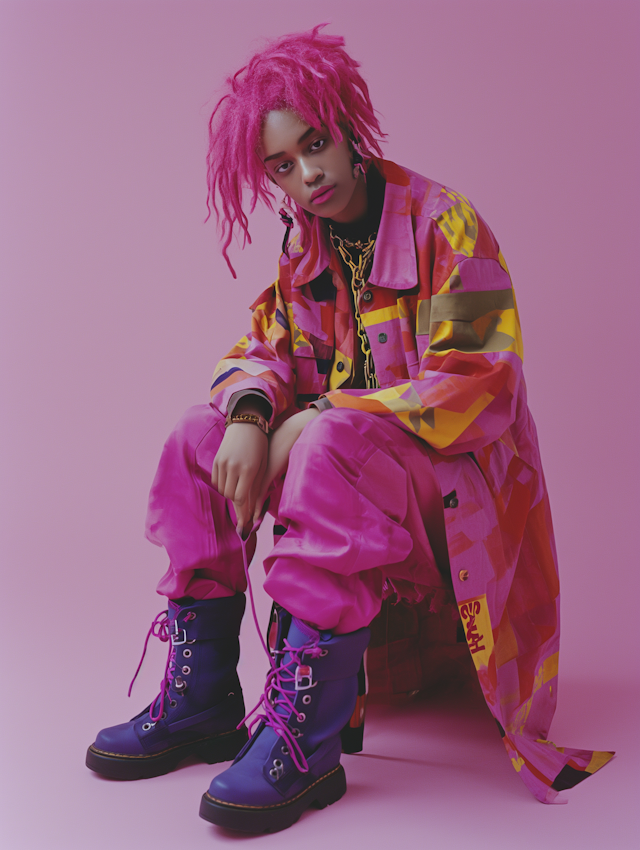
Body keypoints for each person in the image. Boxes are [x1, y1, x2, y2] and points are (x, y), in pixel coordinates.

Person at [86, 25, 612, 833]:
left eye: (316, 144)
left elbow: (484, 385)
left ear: (345, 125)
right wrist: (254, 415)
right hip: (344, 480)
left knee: (328, 443)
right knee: (199, 436)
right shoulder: (308, 242)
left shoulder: (447, 224)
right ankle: (202, 702)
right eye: (281, 166)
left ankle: (308, 744)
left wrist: (321, 416)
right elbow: (265, 346)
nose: (308, 175)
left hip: (452, 501)